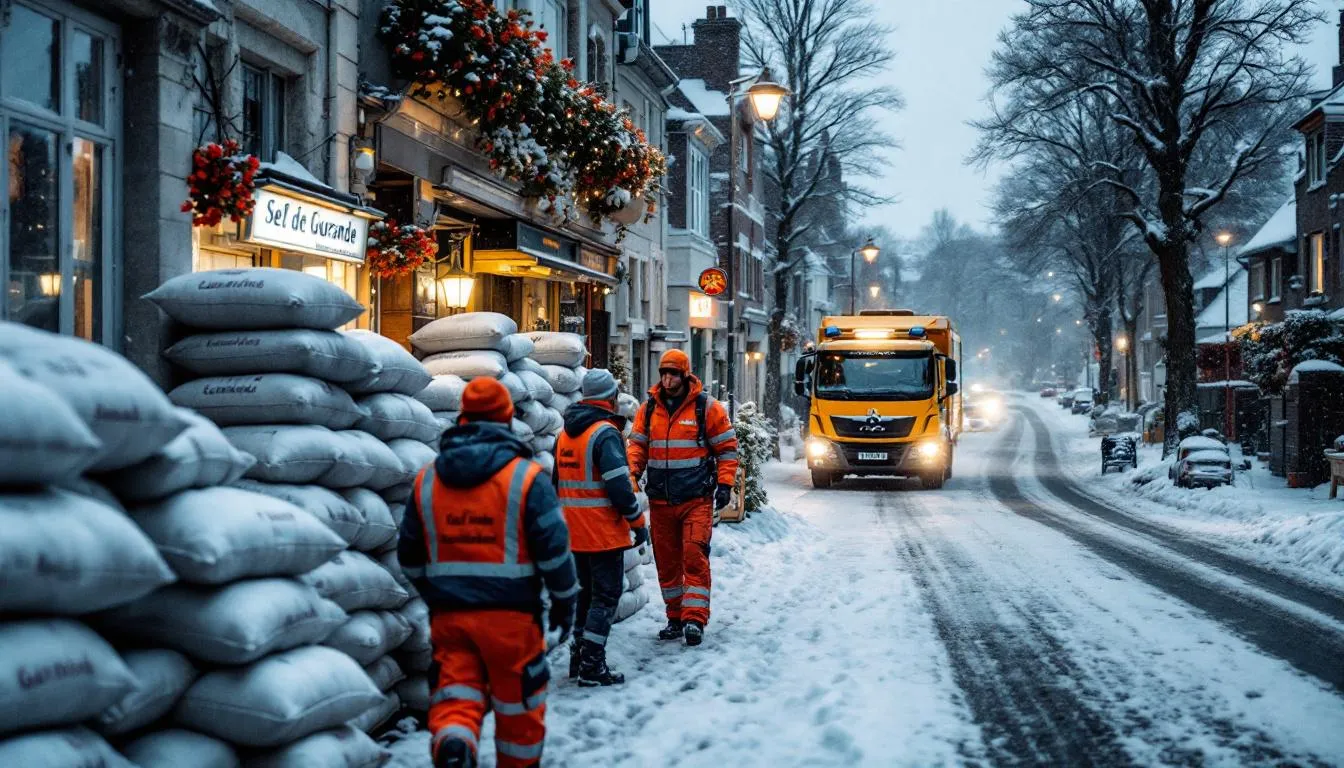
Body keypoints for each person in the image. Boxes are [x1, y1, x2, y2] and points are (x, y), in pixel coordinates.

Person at [399, 377, 578, 768]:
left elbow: (409, 555)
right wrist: (565, 602)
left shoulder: (427, 480)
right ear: (508, 419)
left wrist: (436, 595)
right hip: (513, 622)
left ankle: (454, 742)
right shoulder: (526, 478)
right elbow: (554, 552)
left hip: (451, 617)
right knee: (519, 713)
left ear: (462, 417)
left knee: (457, 692)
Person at [627, 349, 739, 647]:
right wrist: (632, 473)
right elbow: (637, 446)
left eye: (672, 374)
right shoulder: (648, 409)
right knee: (666, 563)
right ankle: (675, 618)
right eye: (663, 373)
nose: (667, 379)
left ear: (685, 375)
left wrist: (725, 484)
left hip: (695, 500)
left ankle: (694, 620)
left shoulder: (707, 408)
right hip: (661, 501)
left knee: (693, 556)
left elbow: (727, 450)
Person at [554, 368, 649, 685]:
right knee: (606, 597)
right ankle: (592, 665)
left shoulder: (565, 433)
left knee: (584, 596)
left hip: (573, 533)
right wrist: (638, 522)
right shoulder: (605, 434)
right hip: (602, 533)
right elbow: (620, 488)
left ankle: (578, 657)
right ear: (609, 398)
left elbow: (557, 485)